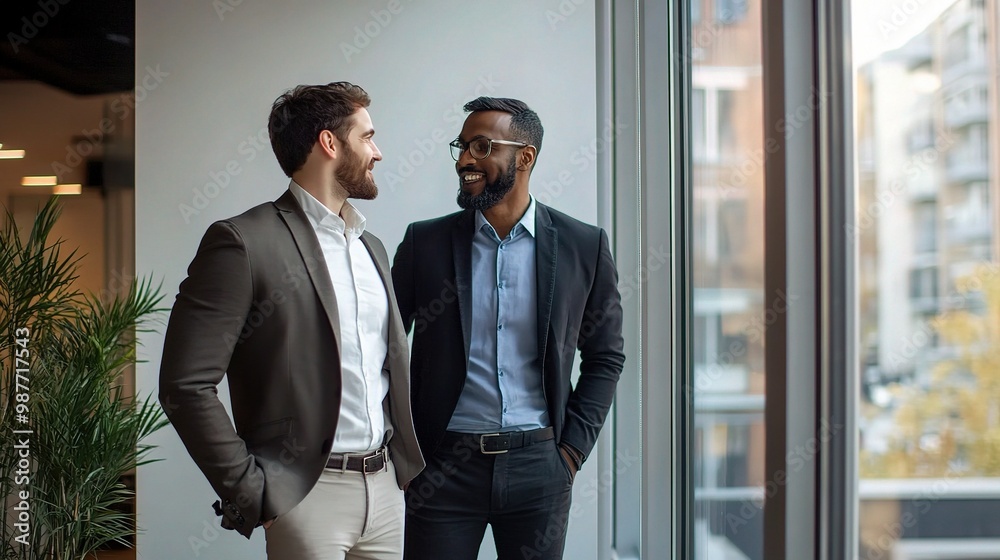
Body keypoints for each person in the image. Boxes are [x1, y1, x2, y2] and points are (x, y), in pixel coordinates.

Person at [159, 81, 424, 560]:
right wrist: (252, 491)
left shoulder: (371, 248)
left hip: (385, 492)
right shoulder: (241, 242)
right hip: (306, 497)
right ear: (329, 143)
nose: (378, 152)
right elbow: (185, 384)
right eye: (367, 137)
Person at [391, 97, 626, 560]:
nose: (464, 160)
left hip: (540, 468)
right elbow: (383, 351)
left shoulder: (584, 246)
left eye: (481, 146)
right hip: (441, 469)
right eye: (461, 146)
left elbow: (605, 356)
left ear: (525, 156)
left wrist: (571, 453)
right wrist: (403, 453)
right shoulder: (426, 243)